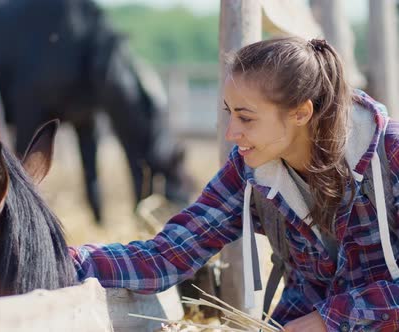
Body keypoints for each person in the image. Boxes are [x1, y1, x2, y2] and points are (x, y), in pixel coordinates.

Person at [68, 36, 399, 332]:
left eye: (247, 117)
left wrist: (332, 318)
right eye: (229, 114)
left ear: (301, 113)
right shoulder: (250, 170)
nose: (231, 133)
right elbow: (168, 254)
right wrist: (65, 260)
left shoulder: (390, 154)